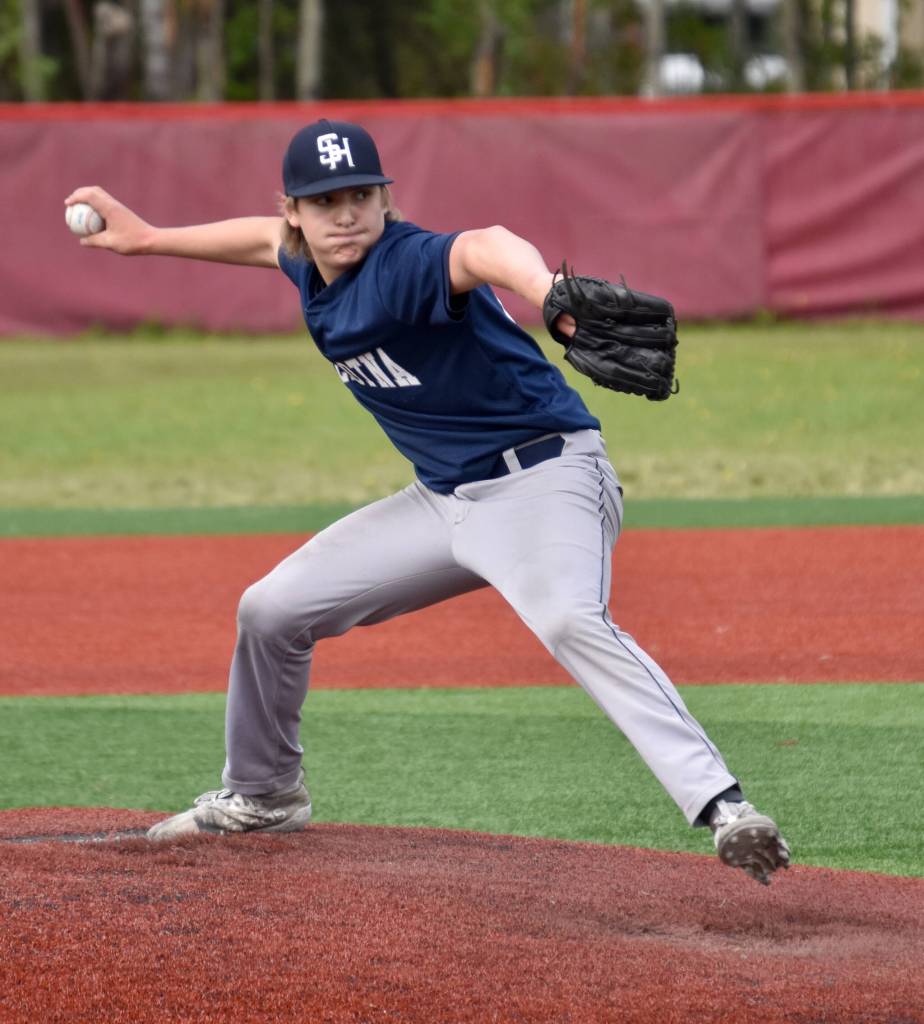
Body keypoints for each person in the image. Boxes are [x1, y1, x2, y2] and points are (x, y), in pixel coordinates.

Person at [66, 119, 790, 885]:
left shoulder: (404, 264)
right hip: (440, 501)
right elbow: (256, 241)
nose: (344, 215)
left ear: (386, 199)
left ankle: (725, 808)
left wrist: (547, 292)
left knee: (569, 619)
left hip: (543, 481)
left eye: (359, 196)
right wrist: (147, 239)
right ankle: (264, 794)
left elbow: (483, 246)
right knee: (270, 610)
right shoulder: (304, 258)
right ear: (295, 213)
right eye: (323, 202)